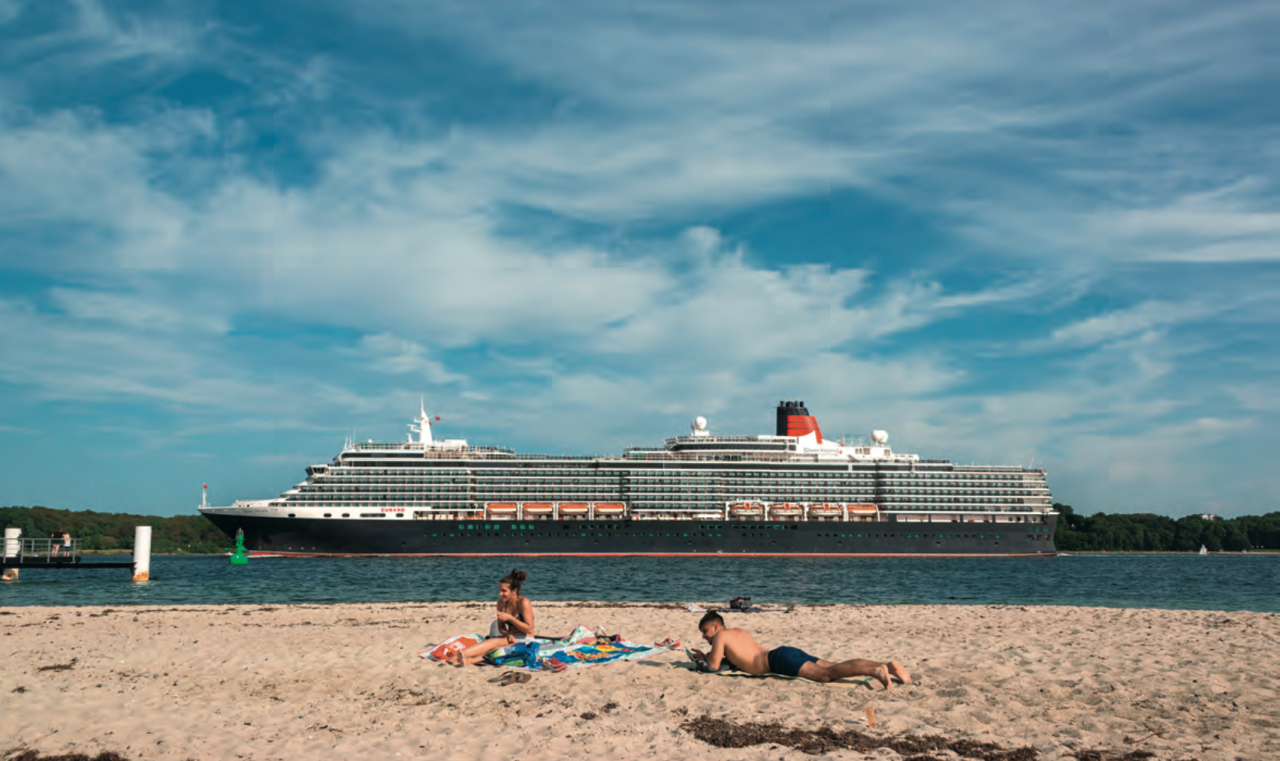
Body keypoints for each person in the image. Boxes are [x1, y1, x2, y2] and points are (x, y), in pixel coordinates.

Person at [685, 611, 910, 688]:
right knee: (834, 666)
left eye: (705, 631)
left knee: (826, 676)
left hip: (778, 661)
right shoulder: (738, 631)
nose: (705, 636)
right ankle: (887, 666)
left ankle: (875, 671)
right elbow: (736, 659)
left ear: (716, 626)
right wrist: (707, 655)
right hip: (783, 652)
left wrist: (700, 660)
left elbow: (713, 668)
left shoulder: (720, 636)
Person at [449, 569, 535, 666]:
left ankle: (470, 660)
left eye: (504, 591)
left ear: (514, 591)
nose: (500, 594)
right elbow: (501, 627)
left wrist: (511, 619)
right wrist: (507, 634)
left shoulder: (524, 603)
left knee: (497, 648)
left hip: (526, 640)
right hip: (511, 638)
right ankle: (457, 657)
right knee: (492, 642)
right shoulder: (501, 603)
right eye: (499, 590)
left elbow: (529, 628)